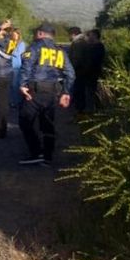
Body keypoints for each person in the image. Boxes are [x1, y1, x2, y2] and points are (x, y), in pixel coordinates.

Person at [18, 22, 75, 166]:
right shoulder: (61, 51)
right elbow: (71, 74)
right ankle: (47, 156)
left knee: (25, 121)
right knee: (48, 124)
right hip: (52, 94)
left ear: (41, 33)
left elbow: (27, 66)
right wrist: (66, 92)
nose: (35, 35)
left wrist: (22, 85)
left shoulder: (35, 47)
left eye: (36, 33)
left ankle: (36, 152)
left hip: (34, 92)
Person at [82, 29, 106, 112]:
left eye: (91, 35)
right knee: (90, 92)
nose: (89, 37)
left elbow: (93, 61)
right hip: (91, 73)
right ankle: (92, 109)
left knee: (90, 93)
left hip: (92, 73)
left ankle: (90, 110)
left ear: (95, 35)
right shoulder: (95, 46)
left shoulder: (98, 47)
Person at [67, 26, 88, 112]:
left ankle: (79, 113)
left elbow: (76, 58)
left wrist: (71, 70)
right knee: (81, 92)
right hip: (83, 71)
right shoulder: (84, 41)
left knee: (79, 92)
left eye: (69, 35)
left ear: (73, 34)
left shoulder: (77, 43)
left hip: (78, 71)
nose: (69, 37)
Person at [8, 28, 27, 109]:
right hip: (9, 67)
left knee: (16, 85)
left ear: (18, 35)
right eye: (12, 34)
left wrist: (8, 50)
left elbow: (16, 53)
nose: (13, 36)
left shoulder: (21, 44)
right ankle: (12, 101)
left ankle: (17, 102)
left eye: (15, 34)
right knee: (11, 86)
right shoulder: (11, 42)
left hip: (17, 67)